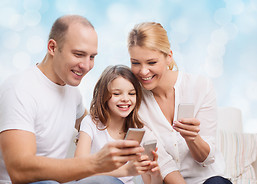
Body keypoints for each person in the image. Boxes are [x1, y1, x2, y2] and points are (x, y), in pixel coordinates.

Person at [0, 15, 144, 184]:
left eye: (92, 57)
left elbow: (91, 122)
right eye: (78, 54)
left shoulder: (71, 91)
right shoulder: (19, 89)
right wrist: (96, 162)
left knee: (109, 181)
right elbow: (19, 171)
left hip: (58, 182)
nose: (86, 65)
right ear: (53, 47)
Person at [127, 22, 232, 184]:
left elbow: (206, 158)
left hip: (207, 179)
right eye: (135, 63)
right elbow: (163, 163)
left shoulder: (200, 86)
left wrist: (192, 138)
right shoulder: (134, 101)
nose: (143, 71)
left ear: (169, 56)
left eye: (151, 62)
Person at [75, 65, 163, 184]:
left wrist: (155, 174)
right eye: (117, 94)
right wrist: (125, 171)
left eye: (131, 94)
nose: (126, 99)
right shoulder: (91, 123)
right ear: (104, 96)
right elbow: (78, 171)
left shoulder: (140, 131)